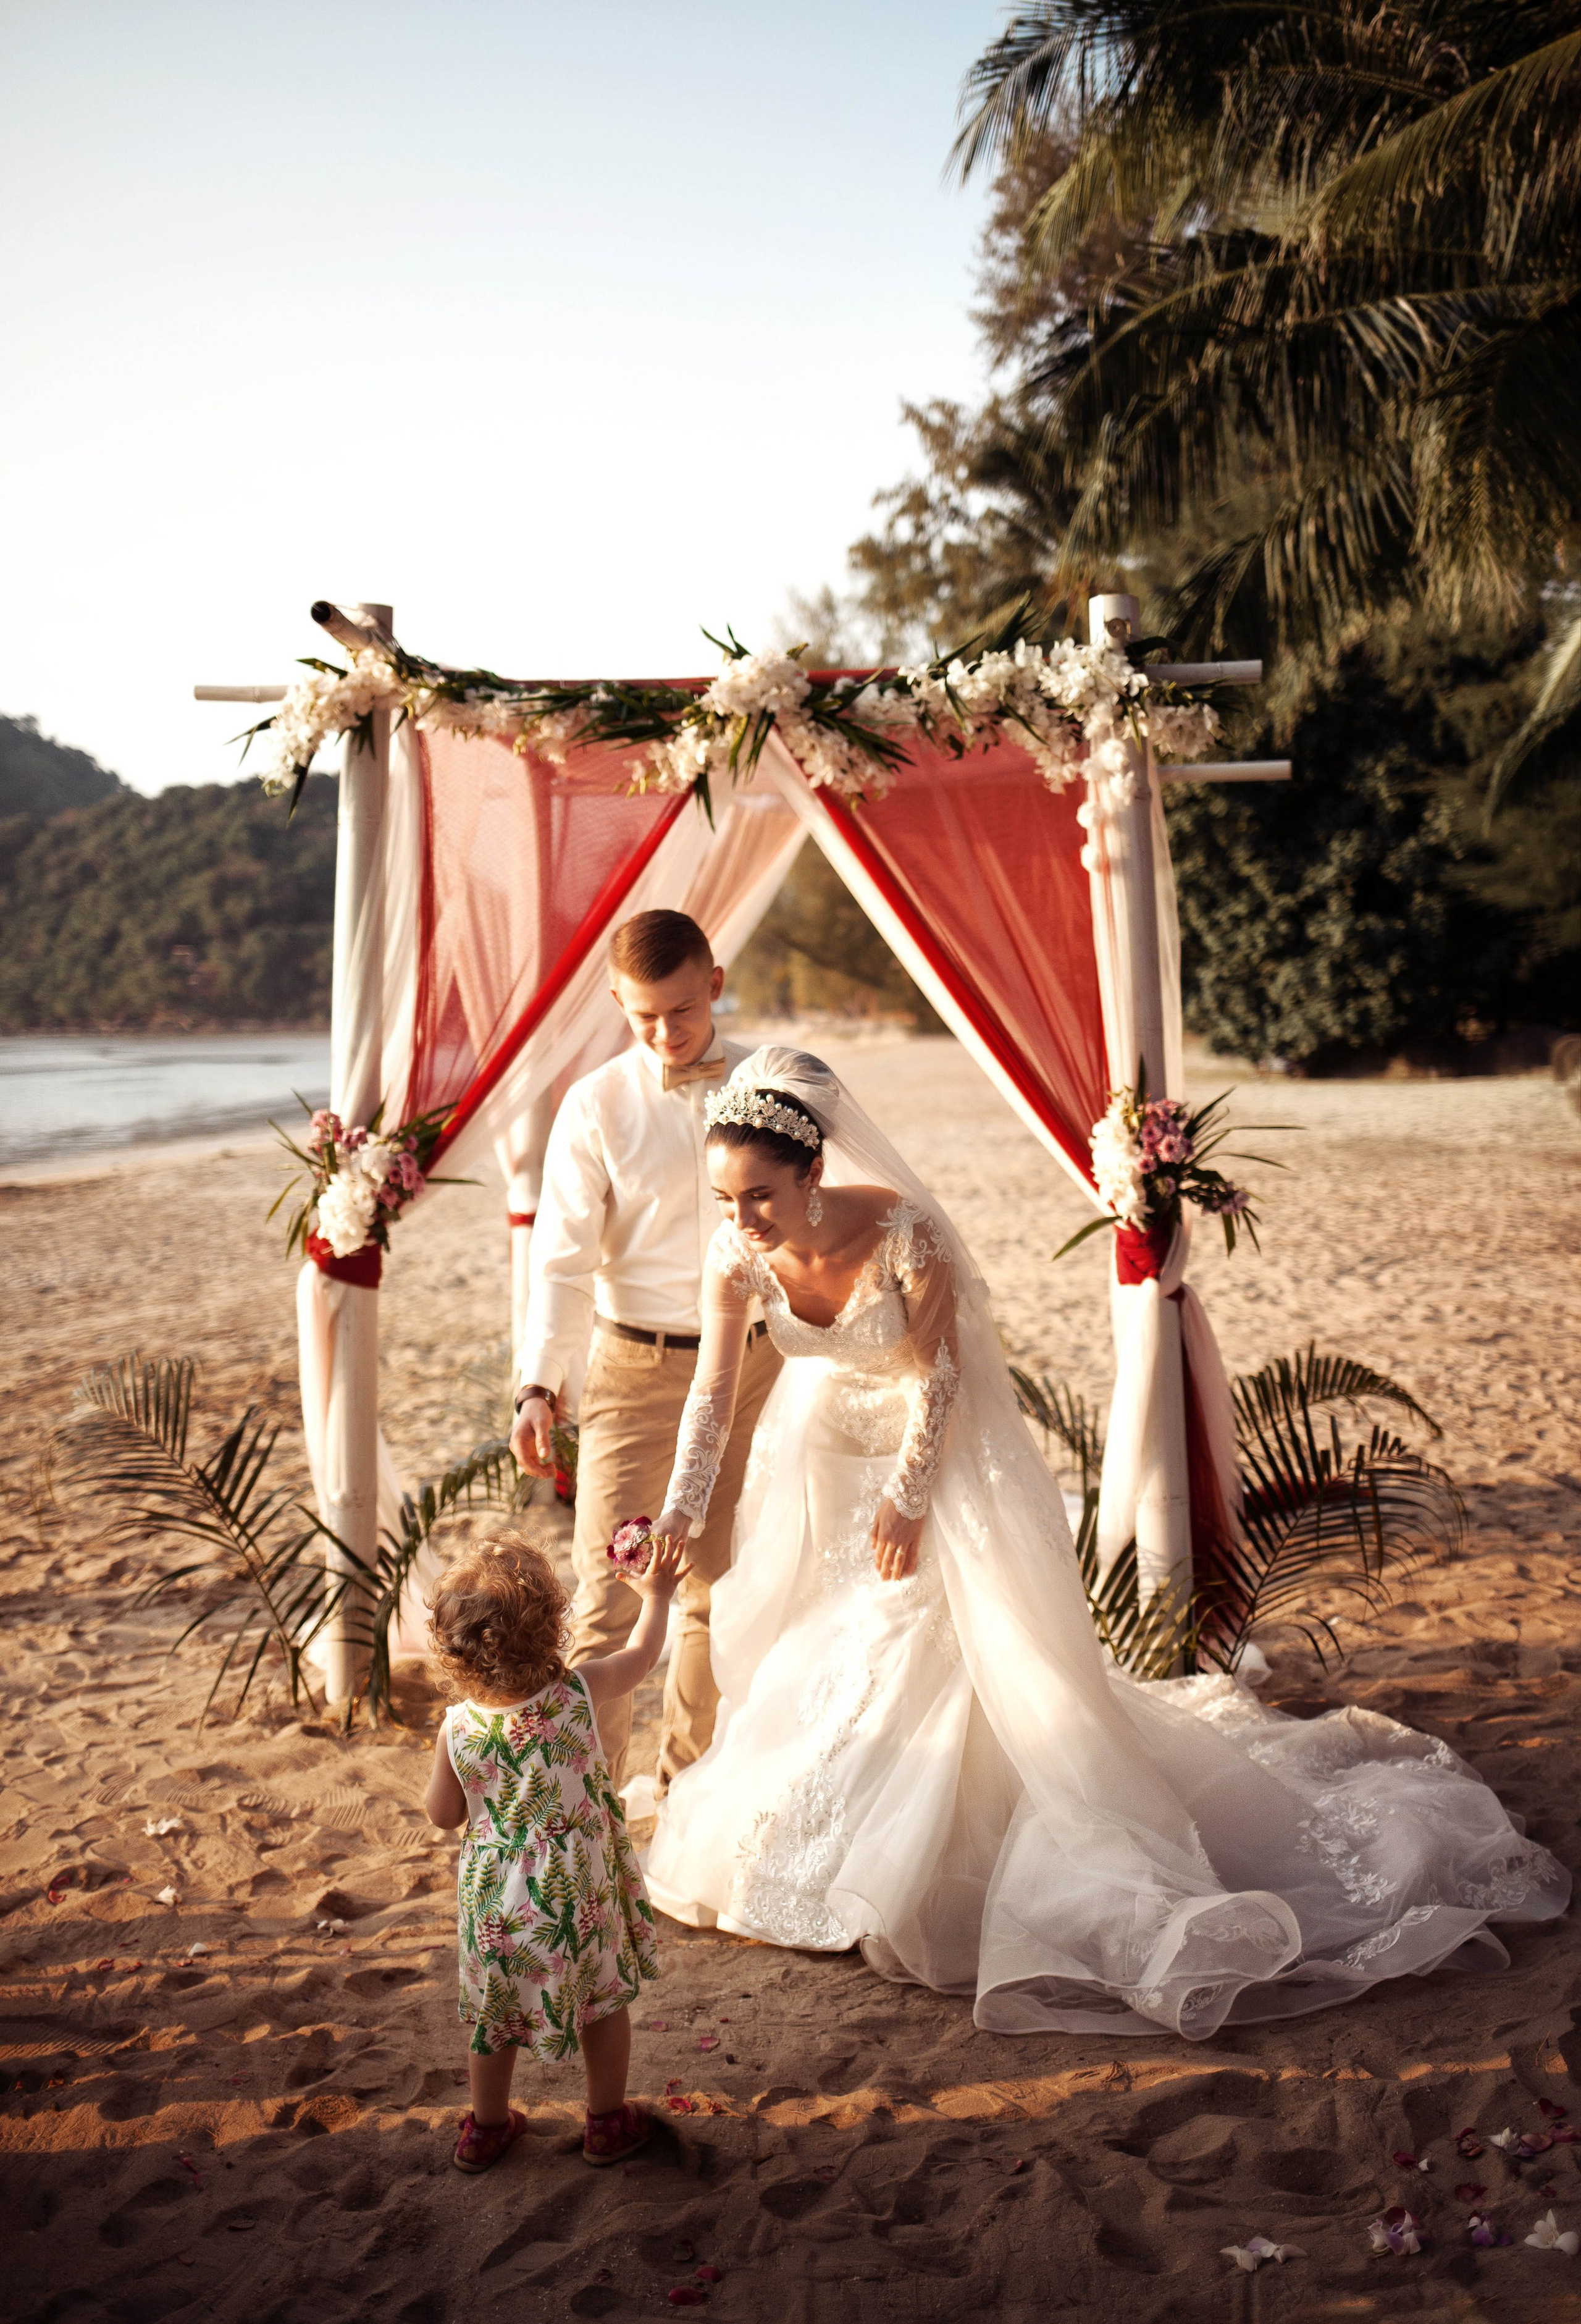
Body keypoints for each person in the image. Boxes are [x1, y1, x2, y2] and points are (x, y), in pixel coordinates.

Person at [642, 1046, 1569, 2037]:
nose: (738, 1222)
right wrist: (680, 1507)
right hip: (824, 1453)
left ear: (812, 1172)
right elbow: (707, 1396)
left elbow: (943, 1380)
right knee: (820, 1639)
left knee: (927, 1637)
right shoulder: (734, 1254)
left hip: (928, 1450)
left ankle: (928, 1860)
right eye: (723, 1199)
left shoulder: (908, 1234)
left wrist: (911, 1497)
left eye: (758, 1197)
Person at [509, 909, 787, 1796]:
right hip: (634, 1366)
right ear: (619, 1007)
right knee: (609, 1590)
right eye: (643, 1019)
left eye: (680, 1009)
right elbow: (560, 1260)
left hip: (753, 1365)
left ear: (715, 979)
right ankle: (585, 1813)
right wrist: (538, 1384)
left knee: (718, 1590)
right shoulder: (595, 1104)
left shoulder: (774, 1081)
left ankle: (683, 1798)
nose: (666, 1034)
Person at [422, 1526, 686, 2171]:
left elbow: (442, 1815)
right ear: (551, 1627)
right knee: (603, 2003)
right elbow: (644, 1655)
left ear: (454, 1652)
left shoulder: (458, 1727)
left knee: (495, 2019)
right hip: (578, 1897)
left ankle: (486, 2129)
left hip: (498, 1907)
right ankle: (605, 2123)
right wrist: (656, 1593)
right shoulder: (579, 1692)